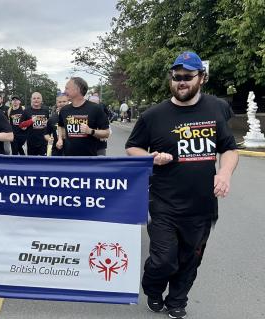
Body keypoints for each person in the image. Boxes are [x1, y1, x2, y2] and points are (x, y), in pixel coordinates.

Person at [125, 51, 239, 319]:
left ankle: (177, 299)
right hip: (163, 201)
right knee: (164, 259)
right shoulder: (153, 115)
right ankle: (153, 288)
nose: (181, 82)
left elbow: (229, 149)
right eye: (177, 77)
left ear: (202, 78)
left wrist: (224, 173)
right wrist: (150, 157)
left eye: (188, 76)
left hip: (202, 205)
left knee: (190, 260)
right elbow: (133, 148)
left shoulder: (217, 108)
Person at [58, 77, 110, 156]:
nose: (65, 91)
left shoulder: (95, 108)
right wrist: (60, 139)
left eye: (67, 88)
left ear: (77, 89)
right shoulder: (64, 110)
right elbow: (60, 126)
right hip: (69, 159)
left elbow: (106, 133)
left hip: (88, 160)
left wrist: (90, 131)